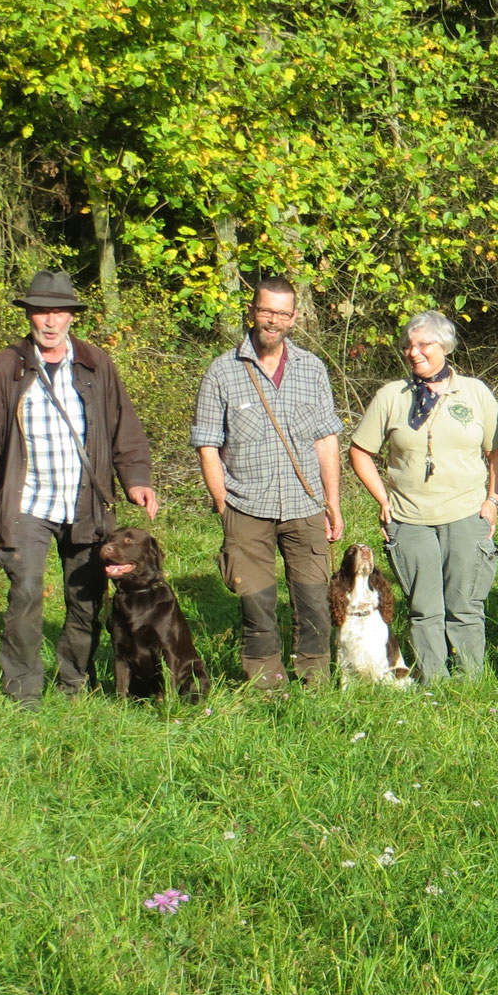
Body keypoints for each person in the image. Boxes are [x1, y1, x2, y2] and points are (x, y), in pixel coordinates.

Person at [0, 269, 157, 707]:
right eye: (40, 312)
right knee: (26, 595)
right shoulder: (5, 365)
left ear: (72, 316)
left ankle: (75, 685)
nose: (49, 322)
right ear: (29, 316)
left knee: (86, 599)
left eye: (58, 312)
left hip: (86, 503)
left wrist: (137, 479)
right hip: (26, 503)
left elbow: (123, 427)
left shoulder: (96, 363)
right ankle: (23, 693)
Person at [193, 275, 345, 690]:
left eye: (281, 313)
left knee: (313, 602)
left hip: (305, 504)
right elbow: (207, 444)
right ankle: (266, 687)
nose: (272, 320)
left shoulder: (312, 369)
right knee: (256, 606)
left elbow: (326, 438)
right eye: (265, 311)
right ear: (252, 311)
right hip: (245, 507)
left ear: (294, 318)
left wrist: (332, 502)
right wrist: (223, 503)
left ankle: (315, 682)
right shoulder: (222, 372)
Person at [349, 311, 498, 682]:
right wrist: (383, 499)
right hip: (409, 519)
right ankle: (432, 683)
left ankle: (471, 684)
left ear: (445, 346)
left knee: (466, 606)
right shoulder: (391, 396)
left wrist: (493, 500)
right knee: (424, 608)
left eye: (424, 344)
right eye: (408, 345)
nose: (413, 352)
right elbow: (359, 451)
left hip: (467, 514)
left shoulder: (474, 392)